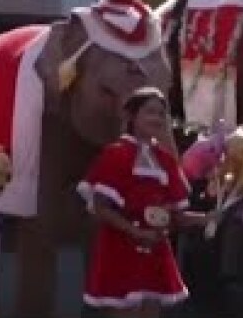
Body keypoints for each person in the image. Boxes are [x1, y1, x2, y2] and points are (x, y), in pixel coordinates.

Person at [78, 87, 215, 317]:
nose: (157, 118)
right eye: (150, 112)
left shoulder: (165, 160)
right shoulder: (116, 154)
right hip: (120, 247)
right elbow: (100, 208)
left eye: (162, 114)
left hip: (155, 249)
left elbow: (176, 216)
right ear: (132, 116)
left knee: (151, 311)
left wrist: (207, 218)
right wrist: (134, 231)